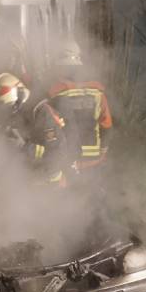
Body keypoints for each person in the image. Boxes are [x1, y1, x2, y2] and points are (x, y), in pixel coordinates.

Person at [30, 39, 113, 186]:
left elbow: (48, 125)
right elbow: (106, 125)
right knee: (94, 202)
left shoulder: (54, 92)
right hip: (93, 160)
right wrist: (103, 151)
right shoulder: (97, 92)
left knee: (70, 203)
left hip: (67, 159)